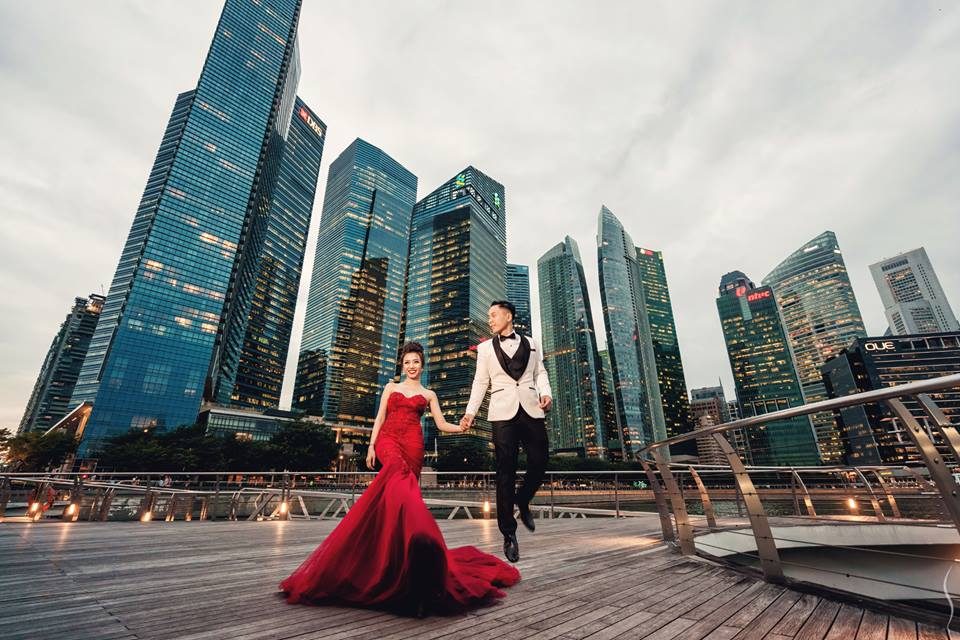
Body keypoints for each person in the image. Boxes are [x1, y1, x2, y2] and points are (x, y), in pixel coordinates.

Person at [280, 342, 520, 616]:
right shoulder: (391, 388)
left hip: (414, 446)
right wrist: (371, 446)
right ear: (402, 365)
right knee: (398, 474)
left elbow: (441, 425)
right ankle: (423, 537)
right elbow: (380, 417)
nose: (412, 366)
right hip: (388, 441)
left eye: (416, 362)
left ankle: (403, 561)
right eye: (407, 362)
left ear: (422, 364)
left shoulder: (429, 394)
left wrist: (460, 426)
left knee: (399, 502)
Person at [460, 300, 552, 563]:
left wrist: (546, 393)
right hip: (502, 413)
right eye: (488, 316)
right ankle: (509, 534)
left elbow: (540, 371)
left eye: (493, 315)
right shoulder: (485, 348)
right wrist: (470, 412)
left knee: (540, 460)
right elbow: (480, 382)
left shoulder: (532, 343)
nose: (489, 319)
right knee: (505, 471)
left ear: (508, 316)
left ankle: (523, 500)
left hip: (532, 408)